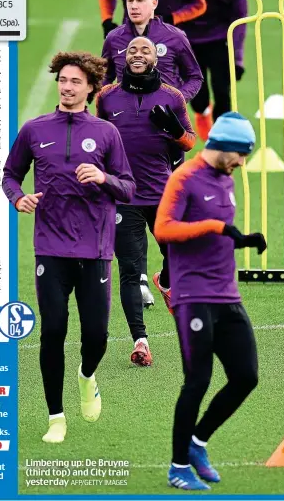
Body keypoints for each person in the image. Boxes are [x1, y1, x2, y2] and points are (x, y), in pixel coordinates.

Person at [2, 52, 136, 444]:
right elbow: (11, 174)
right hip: (50, 247)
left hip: (94, 248)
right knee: (53, 331)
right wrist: (17, 198)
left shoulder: (107, 133)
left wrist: (103, 176)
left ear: (91, 88)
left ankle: (87, 376)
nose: (67, 86)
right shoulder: (34, 129)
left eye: (76, 81)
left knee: (96, 336)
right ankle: (55, 417)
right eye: (62, 79)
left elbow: (129, 187)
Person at [154, 112, 267, 490]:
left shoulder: (225, 179)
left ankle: (198, 443)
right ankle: (178, 467)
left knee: (245, 376)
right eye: (239, 154)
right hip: (192, 295)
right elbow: (164, 229)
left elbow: (222, 231)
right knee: (197, 380)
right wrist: (217, 227)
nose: (241, 163)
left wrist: (243, 238)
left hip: (226, 294)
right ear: (223, 147)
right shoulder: (184, 178)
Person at [102, 0, 203, 308]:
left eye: (139, 1)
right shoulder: (115, 38)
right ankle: (140, 280)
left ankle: (165, 277)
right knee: (129, 206)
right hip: (127, 133)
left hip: (168, 137)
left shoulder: (174, 37)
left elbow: (195, 77)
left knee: (168, 219)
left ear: (154, 3)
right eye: (129, 1)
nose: (133, 6)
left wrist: (176, 106)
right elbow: (104, 80)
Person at [97, 36, 196, 367]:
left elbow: (189, 142)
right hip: (123, 198)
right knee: (129, 269)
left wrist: (173, 129)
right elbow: (97, 141)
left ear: (156, 59)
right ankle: (140, 341)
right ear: (124, 57)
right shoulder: (108, 98)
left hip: (162, 197)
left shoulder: (172, 97)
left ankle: (166, 282)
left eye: (146, 50)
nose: (138, 53)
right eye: (133, 50)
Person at [171, 0, 248, 141]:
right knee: (199, 95)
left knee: (224, 92)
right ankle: (202, 112)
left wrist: (237, 57)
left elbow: (239, 15)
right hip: (187, 40)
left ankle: (222, 140)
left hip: (219, 39)